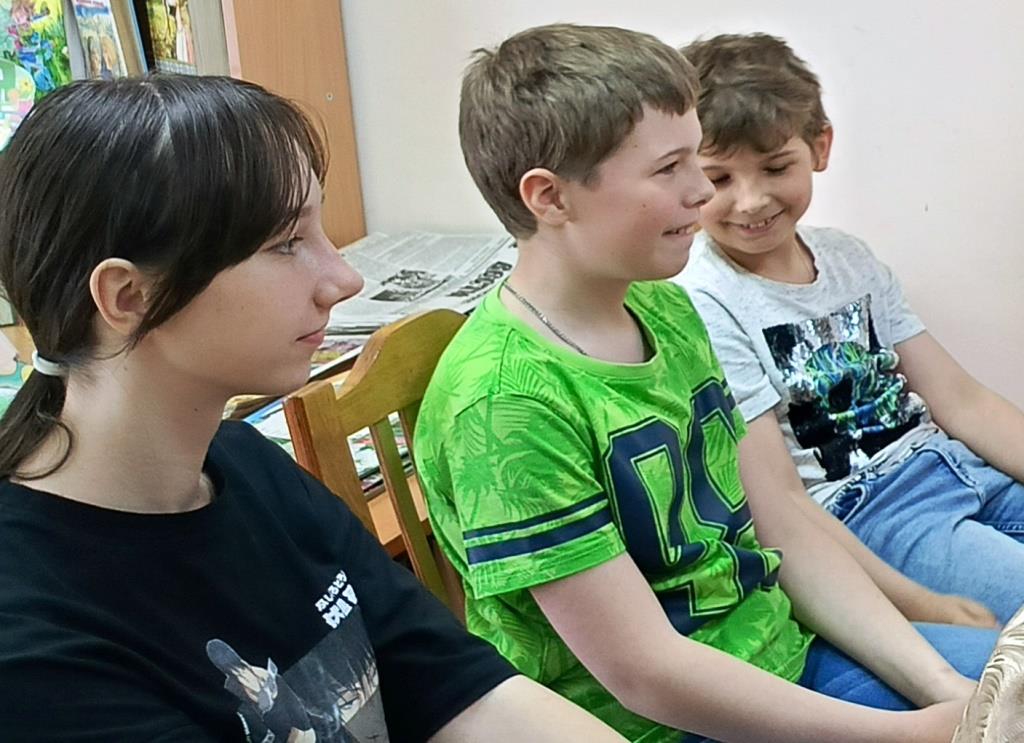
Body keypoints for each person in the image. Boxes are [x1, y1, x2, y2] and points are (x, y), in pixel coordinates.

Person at [414, 23, 999, 743]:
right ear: (550, 197)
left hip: (788, 654)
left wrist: (944, 689)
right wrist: (907, 733)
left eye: (697, 157)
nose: (702, 191)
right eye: (670, 169)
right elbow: (645, 672)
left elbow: (780, 521)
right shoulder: (504, 403)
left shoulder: (666, 308)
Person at [0, 75, 629, 743]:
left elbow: (459, 688)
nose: (343, 279)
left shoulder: (247, 466)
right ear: (129, 296)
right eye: (286, 244)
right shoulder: (31, 638)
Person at [674, 32, 1024, 626]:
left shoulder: (848, 258)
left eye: (775, 167)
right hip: (870, 512)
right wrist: (916, 604)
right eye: (719, 178)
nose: (751, 201)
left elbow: (961, 400)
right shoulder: (705, 300)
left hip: (952, 465)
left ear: (820, 147)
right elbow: (779, 502)